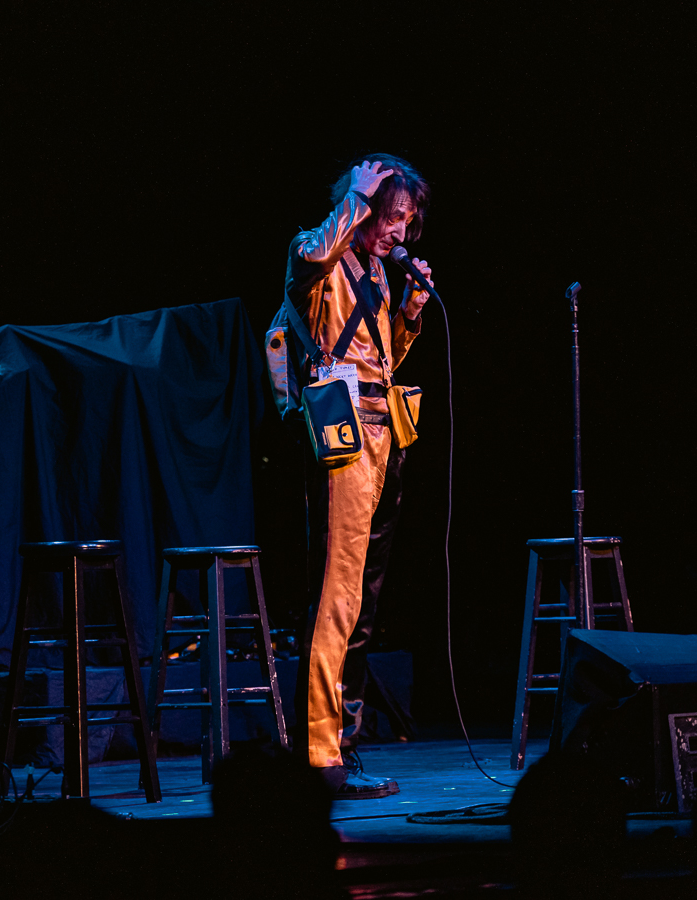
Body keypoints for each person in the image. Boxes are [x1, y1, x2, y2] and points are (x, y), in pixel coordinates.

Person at [270, 154, 433, 798]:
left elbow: (383, 356)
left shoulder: (375, 274)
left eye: (405, 222)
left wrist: (413, 306)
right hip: (342, 433)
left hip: (384, 434)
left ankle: (345, 738)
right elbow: (310, 257)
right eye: (392, 217)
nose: (399, 231)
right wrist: (359, 199)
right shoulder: (320, 256)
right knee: (338, 593)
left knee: (364, 598)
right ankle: (318, 752)